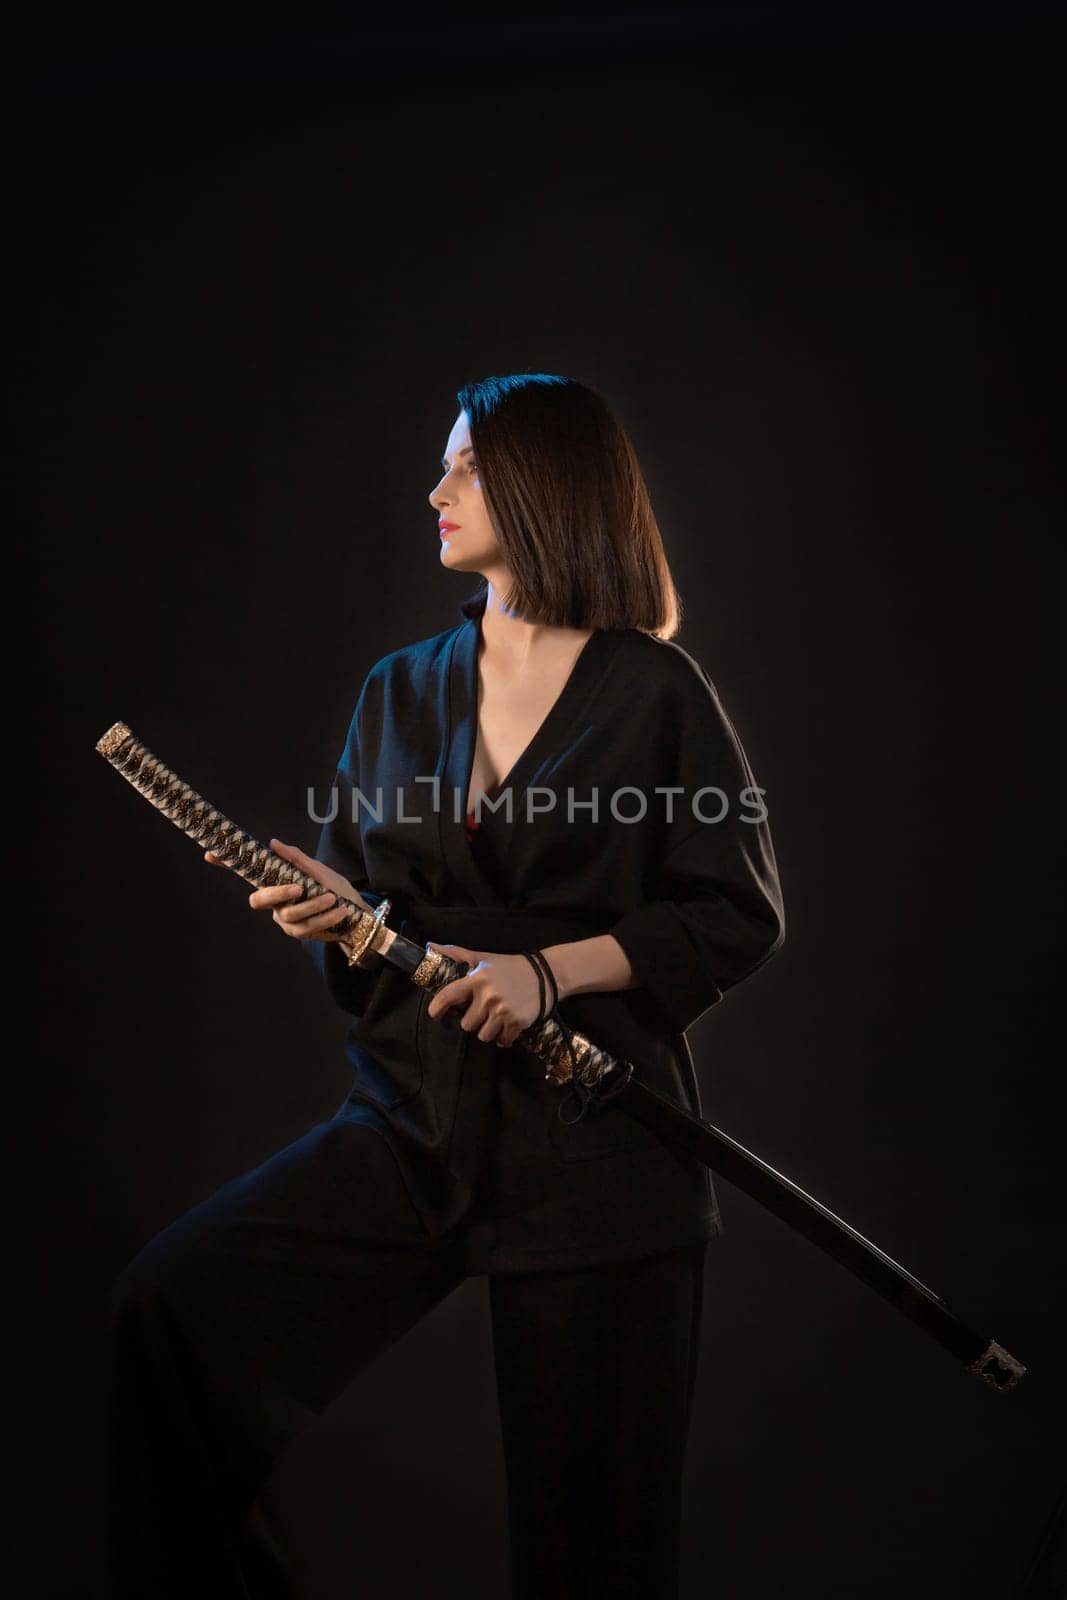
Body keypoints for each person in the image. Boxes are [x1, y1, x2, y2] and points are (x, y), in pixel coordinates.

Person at [104, 372, 785, 1599]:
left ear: (543, 479)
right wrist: (339, 914)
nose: (435, 491)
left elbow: (733, 912)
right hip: (416, 1118)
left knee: (595, 1549)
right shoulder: (396, 688)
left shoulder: (653, 692)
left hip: (599, 1146)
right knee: (170, 1312)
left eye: (463, 466)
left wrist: (545, 973)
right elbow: (379, 922)